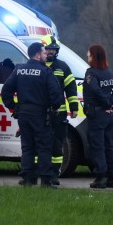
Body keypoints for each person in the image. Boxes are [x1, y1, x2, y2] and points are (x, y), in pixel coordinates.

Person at [1, 42, 64, 188]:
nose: (46, 55)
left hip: (23, 114)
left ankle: (28, 179)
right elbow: (56, 95)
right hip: (41, 114)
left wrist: (15, 107)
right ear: (37, 55)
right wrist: (55, 108)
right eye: (43, 53)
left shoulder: (19, 70)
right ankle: (46, 181)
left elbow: (6, 92)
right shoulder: (46, 72)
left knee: (27, 147)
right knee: (43, 147)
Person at [83, 44, 113, 189]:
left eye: (89, 54)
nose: (87, 56)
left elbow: (95, 90)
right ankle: (112, 178)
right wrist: (112, 102)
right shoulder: (109, 72)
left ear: (94, 56)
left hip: (97, 114)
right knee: (109, 146)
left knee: (97, 146)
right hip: (109, 116)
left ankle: (100, 177)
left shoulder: (91, 73)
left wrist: (107, 103)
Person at [40, 34, 79, 185]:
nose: (51, 52)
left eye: (53, 49)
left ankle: (55, 174)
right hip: (40, 113)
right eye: (48, 49)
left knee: (57, 143)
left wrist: (74, 107)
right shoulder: (37, 66)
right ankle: (41, 171)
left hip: (58, 114)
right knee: (41, 143)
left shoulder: (62, 67)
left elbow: (71, 88)